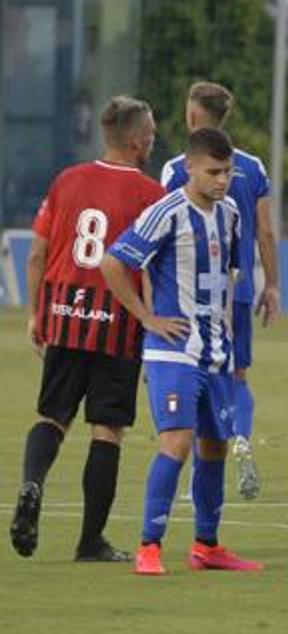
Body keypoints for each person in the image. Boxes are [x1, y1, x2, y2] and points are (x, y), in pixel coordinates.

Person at [9, 96, 166, 562]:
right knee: (107, 430)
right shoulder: (150, 195)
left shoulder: (66, 181)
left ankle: (32, 485)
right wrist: (150, 323)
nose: (154, 138)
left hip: (64, 313)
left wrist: (38, 314)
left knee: (52, 416)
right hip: (116, 322)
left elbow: (37, 253)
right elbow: (152, 271)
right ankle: (90, 541)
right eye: (152, 132)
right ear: (137, 139)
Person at [101, 127, 262, 575]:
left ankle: (206, 546)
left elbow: (228, 279)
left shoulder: (230, 213)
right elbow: (114, 263)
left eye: (228, 172)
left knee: (214, 446)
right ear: (189, 166)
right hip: (173, 351)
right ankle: (148, 546)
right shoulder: (166, 211)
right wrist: (147, 318)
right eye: (213, 171)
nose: (222, 180)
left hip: (216, 352)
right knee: (177, 441)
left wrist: (228, 338)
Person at [162, 81, 280, 500]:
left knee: (195, 375)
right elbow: (265, 230)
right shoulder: (252, 166)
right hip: (239, 286)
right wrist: (274, 284)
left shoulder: (180, 168)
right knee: (236, 374)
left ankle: (200, 472)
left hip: (189, 291)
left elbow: (164, 234)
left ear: (193, 115)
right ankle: (240, 439)